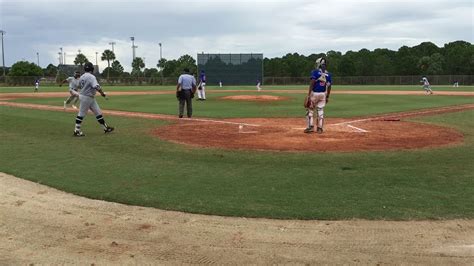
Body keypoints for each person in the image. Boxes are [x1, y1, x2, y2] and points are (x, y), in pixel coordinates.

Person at [73, 62, 114, 137]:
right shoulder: (91, 77)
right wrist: (102, 93)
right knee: (81, 114)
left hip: (89, 97)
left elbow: (78, 86)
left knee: (98, 112)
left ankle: (105, 128)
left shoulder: (82, 76)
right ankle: (77, 131)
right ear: (92, 69)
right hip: (86, 97)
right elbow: (96, 86)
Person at [304, 57, 332, 134]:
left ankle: (310, 127)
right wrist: (327, 96)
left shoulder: (315, 72)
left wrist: (309, 94)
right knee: (320, 110)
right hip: (323, 94)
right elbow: (329, 87)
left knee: (310, 110)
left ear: (319, 64)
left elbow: (312, 82)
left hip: (314, 93)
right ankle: (320, 128)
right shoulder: (328, 74)